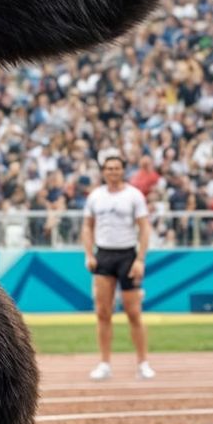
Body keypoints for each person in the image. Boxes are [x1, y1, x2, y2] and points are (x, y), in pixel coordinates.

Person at [82, 148, 154, 381]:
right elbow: (87, 226)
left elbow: (144, 228)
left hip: (127, 255)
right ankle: (104, 363)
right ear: (103, 172)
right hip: (104, 255)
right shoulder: (95, 197)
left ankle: (143, 362)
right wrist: (89, 254)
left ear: (123, 170)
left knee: (134, 312)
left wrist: (140, 259)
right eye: (109, 169)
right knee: (103, 312)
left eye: (117, 168)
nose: (113, 172)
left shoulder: (134, 195)